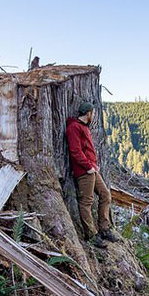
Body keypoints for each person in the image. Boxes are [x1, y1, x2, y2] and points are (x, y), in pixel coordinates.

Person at [65, 102, 118, 248]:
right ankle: (91, 235)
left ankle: (104, 228)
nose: (93, 116)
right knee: (86, 202)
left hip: (92, 169)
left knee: (105, 195)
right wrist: (88, 166)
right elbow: (75, 151)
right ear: (89, 114)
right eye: (92, 113)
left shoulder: (83, 127)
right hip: (84, 171)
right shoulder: (74, 128)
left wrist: (94, 166)